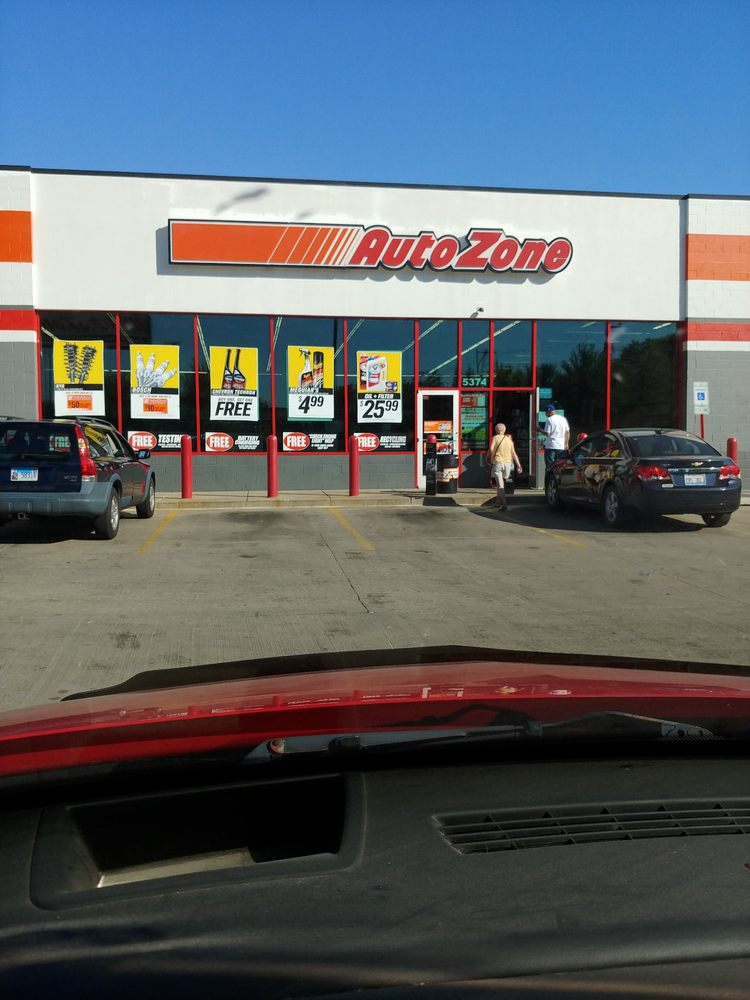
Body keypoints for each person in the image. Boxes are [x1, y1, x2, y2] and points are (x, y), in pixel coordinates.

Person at [486, 423, 522, 510]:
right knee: (500, 483)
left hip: (498, 462)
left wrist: (487, 458)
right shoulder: (509, 440)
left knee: (500, 485)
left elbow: (491, 449)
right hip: (508, 464)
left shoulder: (495, 438)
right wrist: (519, 465)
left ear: (496, 430)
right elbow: (513, 453)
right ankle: (498, 502)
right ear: (504, 430)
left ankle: (504, 504)